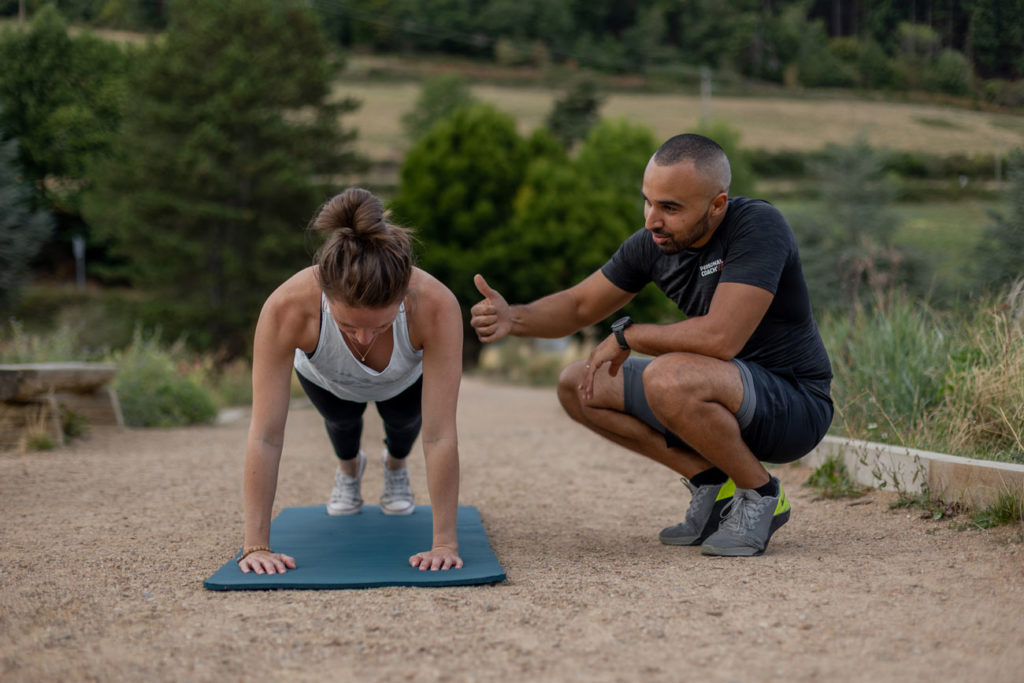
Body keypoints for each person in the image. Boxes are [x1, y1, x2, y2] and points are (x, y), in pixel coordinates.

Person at [470, 134, 832, 557]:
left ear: (717, 205)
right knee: (579, 384)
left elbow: (720, 337)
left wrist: (631, 335)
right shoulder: (654, 244)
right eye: (649, 202)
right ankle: (713, 486)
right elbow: (579, 304)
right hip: (719, 392)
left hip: (792, 404)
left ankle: (762, 495)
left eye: (670, 208)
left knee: (668, 376)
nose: (652, 220)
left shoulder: (757, 226)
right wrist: (513, 317)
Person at [237, 187, 464, 575]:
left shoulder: (436, 305)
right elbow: (265, 435)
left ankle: (395, 467)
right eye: (347, 325)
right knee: (342, 423)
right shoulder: (286, 308)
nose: (362, 339)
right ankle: (349, 470)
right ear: (324, 293)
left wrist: (444, 542)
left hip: (403, 379)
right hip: (328, 379)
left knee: (405, 424)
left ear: (404, 294)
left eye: (380, 324)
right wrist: (255, 545)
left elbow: (440, 434)